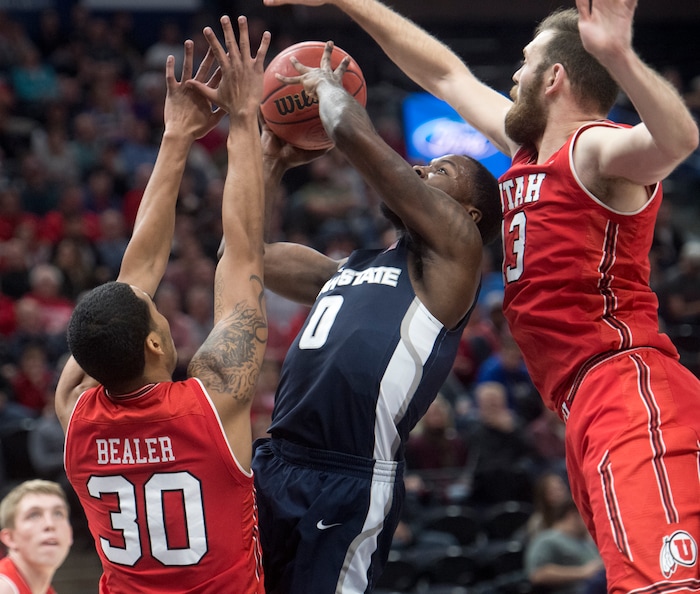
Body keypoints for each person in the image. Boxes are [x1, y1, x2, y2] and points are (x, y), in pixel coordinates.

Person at [260, 0, 700, 590]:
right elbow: (444, 73)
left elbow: (678, 140)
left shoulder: (595, 151)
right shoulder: (527, 154)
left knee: (660, 584)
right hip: (582, 403)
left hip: (627, 385)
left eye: (524, 63)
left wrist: (617, 53)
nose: (512, 76)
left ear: (554, 77)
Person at [250, 41, 502, 594]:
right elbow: (241, 260)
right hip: (275, 461)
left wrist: (327, 87)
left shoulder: (456, 257)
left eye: (439, 170)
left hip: (350, 478)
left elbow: (353, 137)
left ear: (468, 212)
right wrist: (268, 164)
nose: (418, 168)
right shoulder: (344, 269)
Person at [54, 17, 270, 593]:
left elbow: (136, 282)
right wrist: (244, 116)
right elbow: (244, 256)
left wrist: (178, 137)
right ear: (154, 342)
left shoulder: (74, 411)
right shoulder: (212, 402)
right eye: (157, 315)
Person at [0, 479, 73, 594]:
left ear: (70, 534)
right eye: (34, 515)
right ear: (10, 538)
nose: (50, 524)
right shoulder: (4, 587)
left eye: (58, 513)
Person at [525, 498, 605, 594]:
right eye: (587, 516)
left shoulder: (584, 539)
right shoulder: (546, 539)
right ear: (573, 515)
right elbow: (537, 574)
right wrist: (582, 572)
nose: (590, 521)